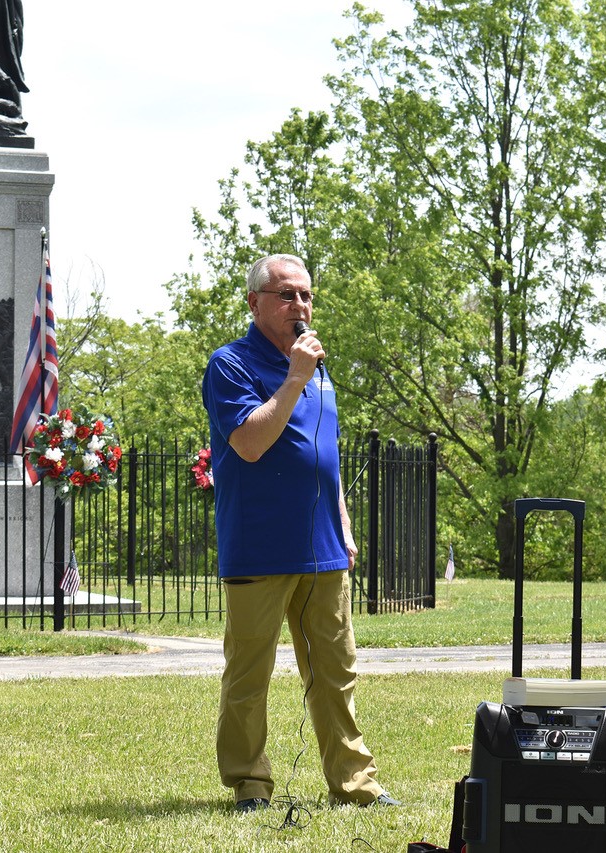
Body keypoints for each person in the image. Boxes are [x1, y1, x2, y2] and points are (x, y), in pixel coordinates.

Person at [202, 254, 398, 813]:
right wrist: (294, 377)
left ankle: (355, 784)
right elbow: (250, 443)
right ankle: (249, 783)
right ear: (255, 303)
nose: (300, 307)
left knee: (336, 673)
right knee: (249, 674)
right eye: (287, 295)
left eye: (306, 296)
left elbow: (323, 455)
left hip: (323, 549)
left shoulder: (316, 369)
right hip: (259, 545)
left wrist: (343, 522)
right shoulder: (231, 365)